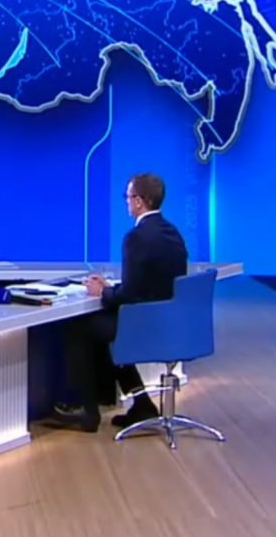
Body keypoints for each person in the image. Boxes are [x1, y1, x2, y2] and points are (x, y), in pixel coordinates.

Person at [50, 173, 188, 432]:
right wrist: (110, 288)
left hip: (144, 324)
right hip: (168, 322)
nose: (126, 201)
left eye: (128, 196)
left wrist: (102, 293)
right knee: (104, 331)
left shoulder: (137, 237)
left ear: (139, 201)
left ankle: (87, 411)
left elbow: (130, 296)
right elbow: (149, 284)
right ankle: (142, 404)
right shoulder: (172, 233)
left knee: (78, 328)